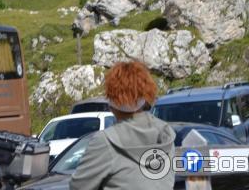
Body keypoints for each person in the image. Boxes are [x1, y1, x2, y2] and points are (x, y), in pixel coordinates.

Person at [70, 61, 175, 190]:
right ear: (147, 95)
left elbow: (78, 187)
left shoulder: (105, 141)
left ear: (112, 103)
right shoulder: (166, 134)